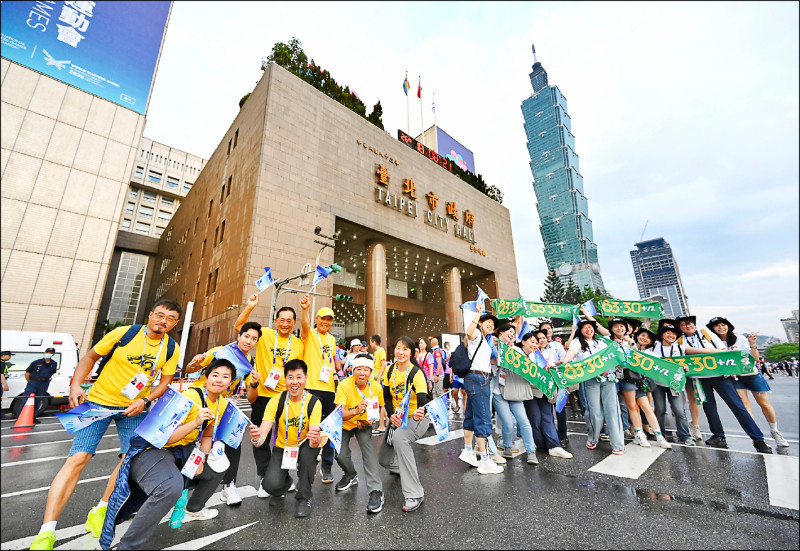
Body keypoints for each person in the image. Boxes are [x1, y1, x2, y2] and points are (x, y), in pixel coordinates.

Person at [31, 299, 181, 551]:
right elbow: (90, 356)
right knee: (77, 459)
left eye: (169, 318)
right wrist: (76, 385)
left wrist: (145, 400)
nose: (163, 321)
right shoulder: (125, 333)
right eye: (159, 315)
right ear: (150, 315)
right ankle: (46, 531)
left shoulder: (171, 347)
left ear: (175, 323)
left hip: (132, 409)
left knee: (127, 461)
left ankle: (100, 510)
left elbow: (165, 382)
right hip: (95, 403)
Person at [100, 359, 234, 550]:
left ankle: (192, 508)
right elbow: (163, 438)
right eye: (215, 375)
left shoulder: (220, 403)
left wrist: (202, 457)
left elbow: (207, 434)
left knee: (219, 465)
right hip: (154, 449)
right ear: (206, 376)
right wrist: (195, 422)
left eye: (225, 377)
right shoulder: (189, 396)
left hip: (183, 451)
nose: (219, 380)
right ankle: (127, 546)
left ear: (231, 382)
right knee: (171, 487)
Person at [182, 321, 261, 506]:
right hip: (199, 400)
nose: (249, 341)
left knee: (234, 439)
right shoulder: (222, 351)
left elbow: (251, 398)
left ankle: (229, 486)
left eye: (254, 339)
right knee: (188, 445)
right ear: (239, 336)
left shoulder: (249, 362)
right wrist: (196, 362)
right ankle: (180, 489)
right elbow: (190, 369)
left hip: (221, 404)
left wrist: (255, 384)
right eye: (246, 336)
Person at [234, 293, 305, 498]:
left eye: (289, 321)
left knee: (285, 439)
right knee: (261, 439)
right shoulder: (264, 334)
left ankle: (283, 477)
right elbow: (240, 327)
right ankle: (265, 477)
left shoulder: (298, 344)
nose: (284, 323)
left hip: (287, 397)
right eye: (281, 320)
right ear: (275, 321)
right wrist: (249, 306)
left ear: (293, 323)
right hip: (263, 396)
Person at [250, 359, 324, 518]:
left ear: (306, 378)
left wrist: (315, 439)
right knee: (269, 484)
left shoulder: (314, 402)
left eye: (299, 377)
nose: (295, 382)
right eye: (290, 377)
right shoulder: (276, 401)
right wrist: (256, 438)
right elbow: (263, 433)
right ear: (285, 379)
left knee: (308, 455)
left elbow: (314, 439)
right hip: (283, 447)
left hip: (305, 445)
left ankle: (304, 497)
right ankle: (283, 485)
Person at [708, 317, 783, 450]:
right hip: (734, 377)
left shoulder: (740, 339)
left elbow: (755, 358)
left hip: (750, 374)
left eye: (723, 325)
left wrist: (753, 344)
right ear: (712, 329)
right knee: (744, 406)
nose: (721, 328)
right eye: (717, 326)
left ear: (729, 326)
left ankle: (775, 431)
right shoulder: (713, 342)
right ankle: (758, 437)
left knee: (764, 403)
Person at [379, 336, 431, 511]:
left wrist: (421, 410)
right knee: (384, 459)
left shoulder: (416, 373)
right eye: (398, 348)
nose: (400, 352)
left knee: (400, 438)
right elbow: (386, 396)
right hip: (398, 417)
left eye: (405, 349)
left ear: (412, 352)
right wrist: (391, 414)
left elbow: (423, 399)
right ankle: (403, 467)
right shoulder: (390, 370)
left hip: (416, 418)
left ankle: (415, 494)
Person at [562, 319, 625, 455]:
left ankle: (618, 444)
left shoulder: (601, 341)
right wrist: (564, 362)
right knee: (594, 412)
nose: (588, 330)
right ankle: (592, 438)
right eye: (585, 328)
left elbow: (614, 351)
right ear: (581, 330)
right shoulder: (577, 342)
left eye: (590, 327)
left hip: (608, 377)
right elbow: (571, 352)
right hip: (589, 379)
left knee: (613, 411)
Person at [334, 354, 385, 513]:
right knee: (340, 454)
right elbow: (339, 413)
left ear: (371, 372)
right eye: (358, 369)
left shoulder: (376, 387)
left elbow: (378, 407)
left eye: (366, 369)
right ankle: (350, 474)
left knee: (368, 451)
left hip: (363, 424)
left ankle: (376, 491)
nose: (362, 373)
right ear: (352, 370)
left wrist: (371, 421)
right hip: (344, 422)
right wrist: (356, 411)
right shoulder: (344, 385)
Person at [458, 304, 504, 474]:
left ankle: (468, 451)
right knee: (483, 416)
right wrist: (478, 314)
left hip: (477, 378)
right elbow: (469, 331)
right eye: (488, 322)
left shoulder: (486, 339)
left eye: (493, 324)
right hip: (478, 378)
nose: (491, 325)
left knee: (471, 415)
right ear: (481, 323)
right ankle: (485, 460)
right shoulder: (476, 334)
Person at [299, 295, 338, 484]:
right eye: (323, 318)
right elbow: (305, 325)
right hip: (312, 388)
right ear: (317, 319)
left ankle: (327, 466)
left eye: (329, 320)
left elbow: (329, 362)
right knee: (311, 428)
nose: (326, 322)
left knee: (330, 428)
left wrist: (336, 376)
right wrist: (305, 309)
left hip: (329, 389)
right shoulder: (310, 334)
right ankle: (307, 465)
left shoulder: (332, 340)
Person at [522, 331, 573, 458]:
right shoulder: (524, 354)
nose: (538, 342)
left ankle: (554, 445)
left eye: (539, 340)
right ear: (524, 342)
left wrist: (550, 368)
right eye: (534, 341)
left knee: (547, 417)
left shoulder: (549, 353)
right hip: (531, 391)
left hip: (545, 390)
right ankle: (540, 445)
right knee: (535, 418)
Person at [24, 347, 59, 423]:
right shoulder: (36, 362)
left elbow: (52, 372)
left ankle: (33, 417)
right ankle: (20, 416)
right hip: (33, 382)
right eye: (47, 353)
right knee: (26, 399)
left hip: (44, 383)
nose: (48, 354)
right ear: (44, 353)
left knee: (38, 400)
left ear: (53, 354)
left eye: (50, 353)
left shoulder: (54, 363)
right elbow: (27, 373)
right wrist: (30, 382)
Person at [368, 334, 388, 435]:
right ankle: (386, 421)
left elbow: (384, 364)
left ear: (373, 341)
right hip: (376, 379)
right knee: (380, 402)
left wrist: (379, 377)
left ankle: (382, 426)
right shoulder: (377, 352)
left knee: (380, 402)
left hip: (378, 380)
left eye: (370, 341)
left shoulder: (381, 351)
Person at [2, 350, 12, 420]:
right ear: (4, 355)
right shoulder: (1, 363)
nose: (10, 357)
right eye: (9, 355)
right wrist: (5, 385)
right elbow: (1, 375)